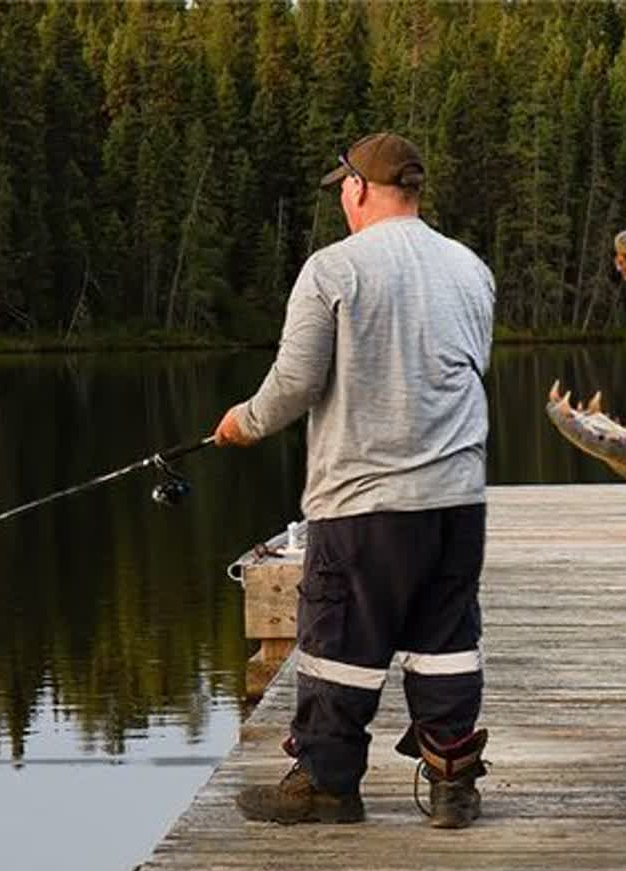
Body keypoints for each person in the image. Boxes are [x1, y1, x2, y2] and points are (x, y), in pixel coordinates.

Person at [213, 133, 496, 829]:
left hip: (364, 502)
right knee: (446, 641)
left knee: (338, 644)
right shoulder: (470, 269)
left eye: (343, 186)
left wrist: (242, 424)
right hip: (457, 501)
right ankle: (452, 782)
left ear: (362, 189)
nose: (341, 197)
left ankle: (327, 785)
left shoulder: (332, 269)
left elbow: (297, 383)